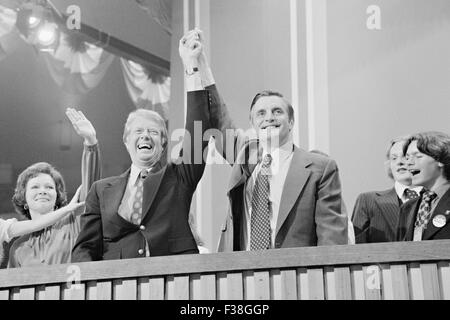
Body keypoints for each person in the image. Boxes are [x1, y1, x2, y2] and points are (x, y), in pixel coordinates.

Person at [180, 29, 348, 252]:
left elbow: (332, 236)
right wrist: (199, 63)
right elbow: (217, 117)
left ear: (291, 122)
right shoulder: (245, 155)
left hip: (297, 277)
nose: (269, 117)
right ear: (253, 123)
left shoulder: (319, 168)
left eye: (277, 111)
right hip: (242, 276)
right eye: (261, 113)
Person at [71, 64, 213, 261]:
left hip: (172, 279)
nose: (145, 136)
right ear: (126, 141)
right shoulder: (101, 190)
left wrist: (192, 68)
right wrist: (88, 286)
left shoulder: (178, 177)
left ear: (163, 144)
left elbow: (198, 135)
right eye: (138, 131)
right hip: (117, 285)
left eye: (153, 132)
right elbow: (84, 248)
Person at [6, 108, 101, 268]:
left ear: (57, 197)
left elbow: (90, 185)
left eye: (49, 187)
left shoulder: (73, 222)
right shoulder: (18, 246)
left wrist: (90, 142)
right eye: (35, 187)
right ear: (24, 199)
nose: (42, 190)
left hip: (75, 292)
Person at [352, 136, 423, 243]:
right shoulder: (368, 200)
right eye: (394, 158)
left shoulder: (437, 200)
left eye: (405, 156)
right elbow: (356, 248)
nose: (399, 162)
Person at [397, 131, 450, 241]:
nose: (408, 163)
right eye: (407, 158)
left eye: (418, 156)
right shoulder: (407, 208)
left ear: (440, 160)